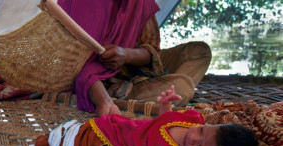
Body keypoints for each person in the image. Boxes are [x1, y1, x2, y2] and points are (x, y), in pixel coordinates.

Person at [35, 85, 259, 146]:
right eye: (201, 130)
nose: (192, 136)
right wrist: (166, 105)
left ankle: (59, 143)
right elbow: (163, 121)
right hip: (127, 126)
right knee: (110, 113)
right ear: (206, 123)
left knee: (49, 145)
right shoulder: (192, 118)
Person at [57, 0, 212, 117]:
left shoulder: (137, 3)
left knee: (199, 51)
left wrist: (126, 54)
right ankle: (162, 99)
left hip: (136, 68)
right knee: (183, 86)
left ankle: (166, 96)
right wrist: (104, 101)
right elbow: (77, 68)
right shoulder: (80, 5)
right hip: (104, 82)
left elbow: (152, 50)